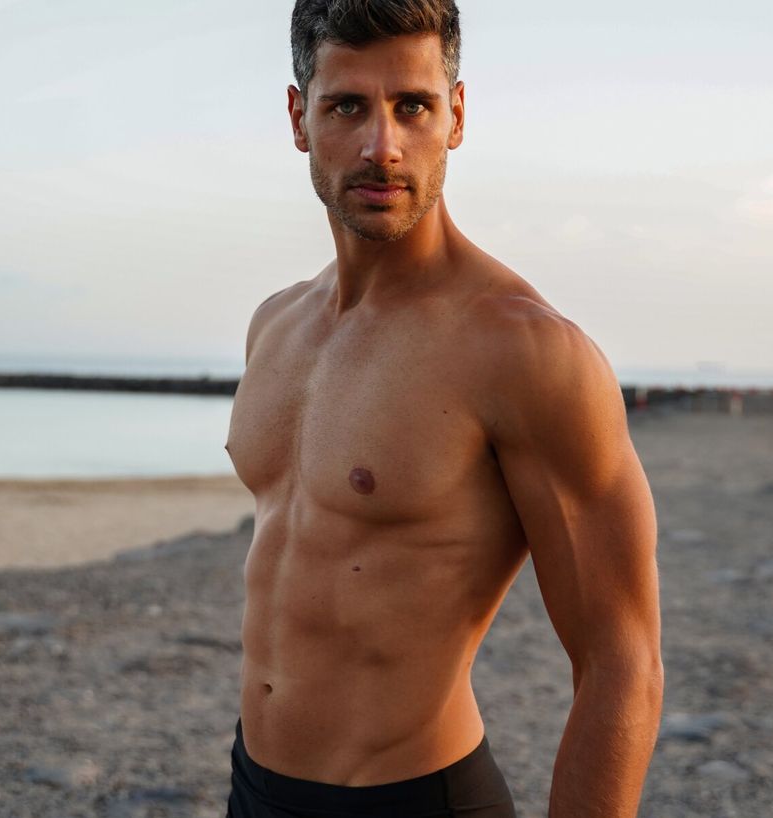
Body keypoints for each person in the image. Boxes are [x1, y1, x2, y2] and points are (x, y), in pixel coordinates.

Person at [223, 1, 664, 815]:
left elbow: (622, 662)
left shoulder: (527, 354)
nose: (381, 146)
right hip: (254, 784)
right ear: (298, 117)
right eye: (347, 105)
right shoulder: (275, 325)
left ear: (455, 116)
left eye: (413, 106)